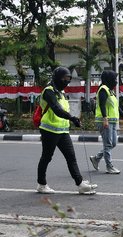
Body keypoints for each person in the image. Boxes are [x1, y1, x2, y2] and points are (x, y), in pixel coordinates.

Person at [36, 66, 97, 195]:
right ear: (57, 78)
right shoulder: (49, 91)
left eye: (68, 79)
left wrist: (71, 120)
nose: (66, 81)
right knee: (46, 157)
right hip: (49, 130)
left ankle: (80, 184)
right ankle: (41, 184)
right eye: (64, 78)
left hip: (63, 131)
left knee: (71, 157)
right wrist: (72, 118)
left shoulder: (61, 93)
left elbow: (63, 110)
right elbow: (56, 109)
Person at [90, 70, 123, 174]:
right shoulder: (103, 89)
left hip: (112, 121)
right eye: (114, 79)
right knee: (108, 144)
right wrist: (105, 118)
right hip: (104, 120)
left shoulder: (110, 91)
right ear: (108, 79)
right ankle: (109, 166)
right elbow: (102, 105)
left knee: (112, 143)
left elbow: (115, 107)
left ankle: (96, 158)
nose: (115, 81)